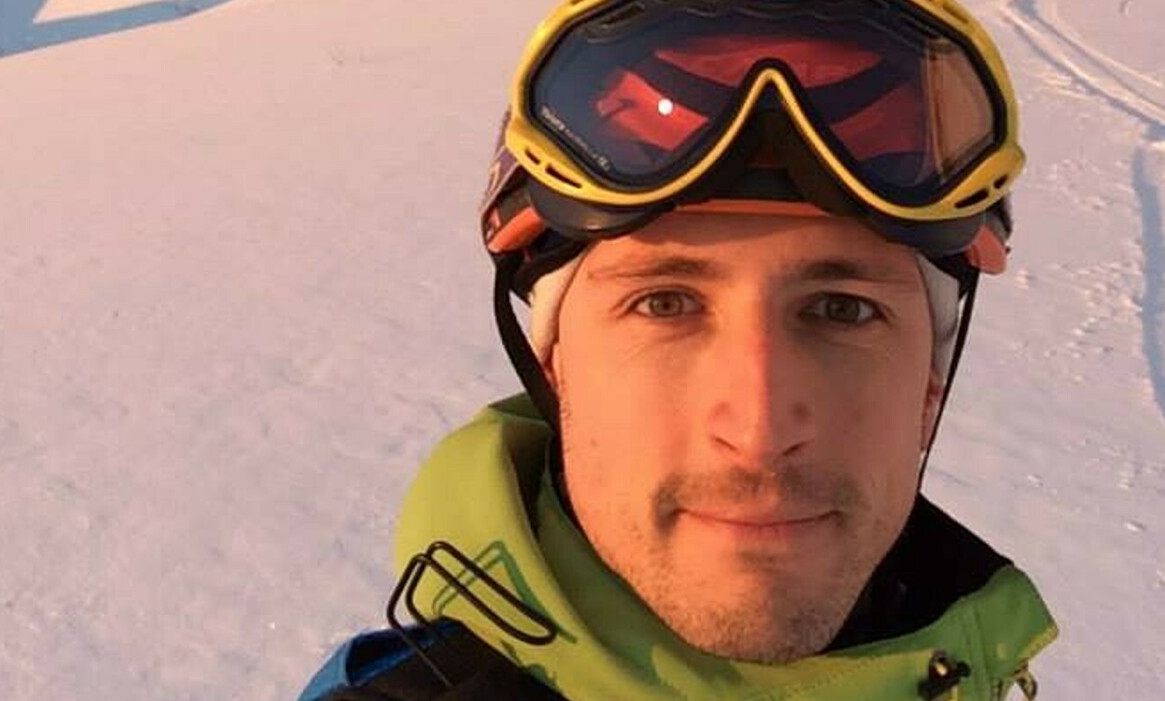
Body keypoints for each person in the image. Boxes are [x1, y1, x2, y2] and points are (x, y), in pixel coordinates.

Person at [299, 1, 1058, 699]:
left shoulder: (967, 662)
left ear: (929, 384)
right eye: (665, 304)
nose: (760, 429)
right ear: (555, 367)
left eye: (843, 309)